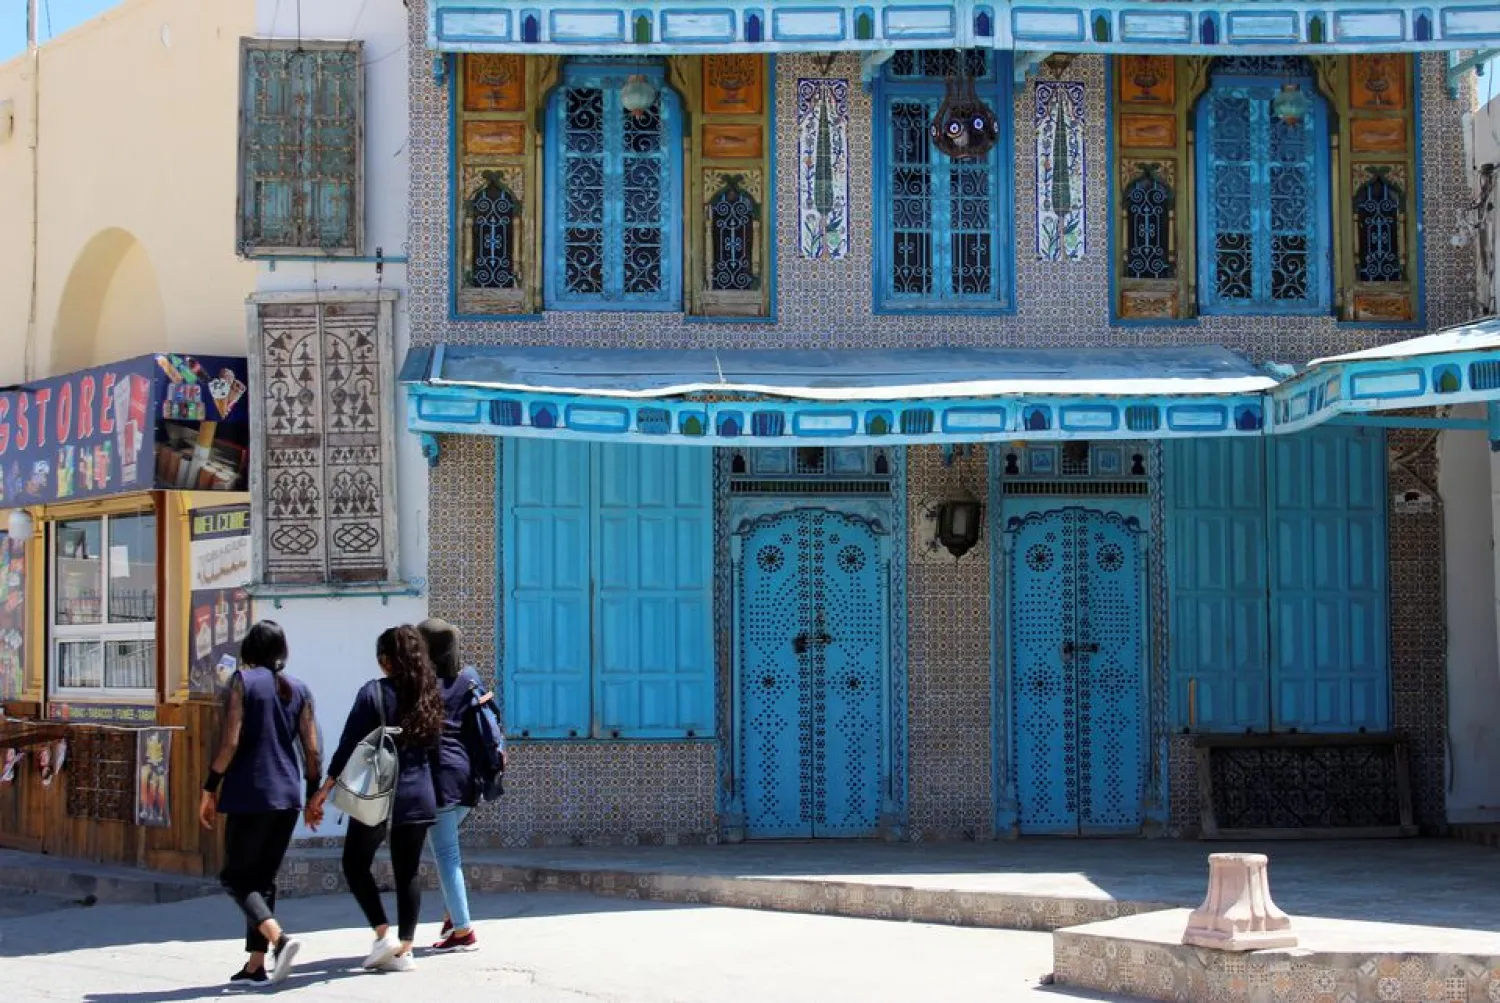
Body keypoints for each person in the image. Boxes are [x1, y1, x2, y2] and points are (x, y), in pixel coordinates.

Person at [307, 625, 444, 973]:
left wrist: (325, 789)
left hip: (379, 798)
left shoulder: (373, 693)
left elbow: (350, 742)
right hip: (419, 794)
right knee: (408, 872)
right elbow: (438, 750)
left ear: (386, 661)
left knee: (355, 863)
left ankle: (384, 934)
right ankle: (406, 950)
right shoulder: (431, 694)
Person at [200, 620, 321, 988]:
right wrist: (314, 792)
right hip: (287, 797)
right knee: (262, 880)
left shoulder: (243, 682)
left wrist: (209, 788)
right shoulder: (298, 689)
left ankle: (279, 940)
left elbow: (230, 742)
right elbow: (312, 749)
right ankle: (256, 965)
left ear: (249, 650)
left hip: (250, 794)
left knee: (234, 877)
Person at [416, 618, 493, 952]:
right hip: (468, 779)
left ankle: (463, 930)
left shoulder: (421, 685)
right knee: (447, 846)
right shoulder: (468, 681)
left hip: (439, 780)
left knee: (447, 855)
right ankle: (452, 917)